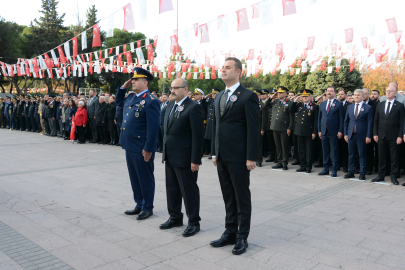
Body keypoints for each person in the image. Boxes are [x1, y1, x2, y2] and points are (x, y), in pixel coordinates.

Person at [210, 57, 259, 255]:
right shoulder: (219, 95)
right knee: (228, 196)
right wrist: (214, 151)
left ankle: (242, 237)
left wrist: (250, 156)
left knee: (241, 197)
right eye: (222, 67)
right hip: (222, 155)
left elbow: (253, 129)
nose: (223, 70)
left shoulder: (248, 96)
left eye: (228, 68)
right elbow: (216, 126)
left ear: (238, 72)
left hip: (239, 157)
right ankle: (230, 232)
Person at [160, 78, 204, 237]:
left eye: (176, 88)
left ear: (186, 89)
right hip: (170, 155)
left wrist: (195, 160)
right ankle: (175, 217)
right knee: (172, 188)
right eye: (171, 88)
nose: (172, 91)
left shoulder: (193, 108)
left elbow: (198, 136)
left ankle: (194, 222)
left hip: (186, 158)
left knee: (188, 190)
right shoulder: (171, 105)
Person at [115, 67, 160, 220]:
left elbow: (153, 129)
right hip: (129, 144)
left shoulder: (151, 101)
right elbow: (118, 102)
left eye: (136, 79)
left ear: (145, 82)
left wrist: (148, 148)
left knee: (145, 177)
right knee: (134, 177)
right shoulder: (131, 97)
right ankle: (139, 204)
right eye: (132, 79)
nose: (133, 81)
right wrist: (123, 88)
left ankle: (148, 207)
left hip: (142, 147)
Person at [373, 86, 404, 185]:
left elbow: (402, 122)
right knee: (381, 156)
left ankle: (394, 176)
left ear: (395, 93)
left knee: (394, 157)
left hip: (394, 136)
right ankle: (381, 175)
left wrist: (400, 136)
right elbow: (376, 120)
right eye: (387, 91)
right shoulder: (380, 105)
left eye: (390, 91)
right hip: (381, 135)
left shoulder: (399, 105)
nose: (388, 93)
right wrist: (375, 133)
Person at [344, 89, 374, 180]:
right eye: (355, 95)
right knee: (351, 154)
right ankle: (351, 171)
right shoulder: (350, 107)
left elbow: (370, 123)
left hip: (362, 135)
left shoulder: (368, 108)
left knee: (362, 154)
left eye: (358, 95)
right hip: (351, 134)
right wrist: (345, 134)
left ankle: (362, 173)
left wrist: (368, 136)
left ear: (363, 96)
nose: (356, 96)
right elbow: (346, 122)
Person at [318, 86, 344, 177]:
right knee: (325, 151)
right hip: (324, 131)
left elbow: (341, 118)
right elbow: (320, 118)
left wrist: (340, 130)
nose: (329, 92)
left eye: (331, 91)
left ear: (335, 93)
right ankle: (325, 169)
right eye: (328, 91)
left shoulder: (339, 104)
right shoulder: (322, 104)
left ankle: (334, 170)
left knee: (334, 151)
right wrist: (319, 130)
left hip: (334, 131)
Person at [291, 90, 319, 173]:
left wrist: (314, 132)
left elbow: (316, 121)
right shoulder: (299, 105)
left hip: (309, 131)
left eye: (306, 96)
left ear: (311, 97)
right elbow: (291, 110)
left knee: (309, 150)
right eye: (303, 96)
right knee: (301, 150)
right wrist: (295, 101)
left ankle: (308, 166)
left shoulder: (314, 106)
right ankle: (302, 165)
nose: (305, 98)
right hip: (299, 131)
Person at [268, 86, 294, 170]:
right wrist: (271, 98)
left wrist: (290, 128)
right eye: (278, 93)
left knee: (284, 146)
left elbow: (291, 117)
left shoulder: (289, 102)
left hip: (284, 128)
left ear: (285, 94)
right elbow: (265, 106)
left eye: (281, 93)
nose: (279, 94)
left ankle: (285, 162)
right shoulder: (275, 101)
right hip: (275, 127)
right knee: (278, 146)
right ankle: (279, 162)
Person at [337, 88, 351, 173]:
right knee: (337, 149)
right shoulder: (336, 104)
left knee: (345, 150)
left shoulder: (349, 105)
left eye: (342, 94)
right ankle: (338, 165)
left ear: (346, 95)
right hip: (337, 129)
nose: (340, 96)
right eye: (339, 94)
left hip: (345, 130)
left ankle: (345, 166)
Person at [204, 89, 218, 159]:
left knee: (214, 139)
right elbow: (202, 105)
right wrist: (205, 98)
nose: (213, 95)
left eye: (215, 94)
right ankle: (212, 153)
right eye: (212, 94)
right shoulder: (210, 101)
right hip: (210, 122)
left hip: (215, 122)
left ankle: (214, 153)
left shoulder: (219, 101)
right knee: (210, 138)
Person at [254, 89, 265, 167]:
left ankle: (259, 160)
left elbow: (264, 118)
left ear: (260, 96)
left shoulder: (262, 104)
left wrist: (262, 128)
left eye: (257, 95)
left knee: (258, 145)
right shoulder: (251, 103)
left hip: (258, 127)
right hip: (251, 127)